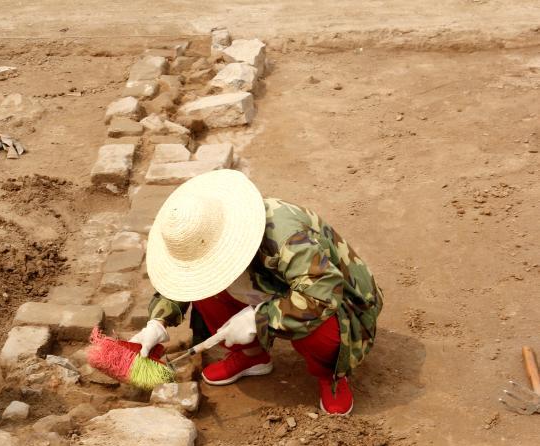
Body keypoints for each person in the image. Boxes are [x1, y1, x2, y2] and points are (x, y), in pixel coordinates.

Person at [131, 170, 383, 415]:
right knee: (204, 291)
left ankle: (331, 375)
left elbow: (322, 295)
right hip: (273, 286)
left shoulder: (285, 236)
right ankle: (251, 356)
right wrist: (158, 322)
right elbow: (182, 276)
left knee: (318, 330)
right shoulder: (201, 236)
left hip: (337, 300)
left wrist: (259, 318)